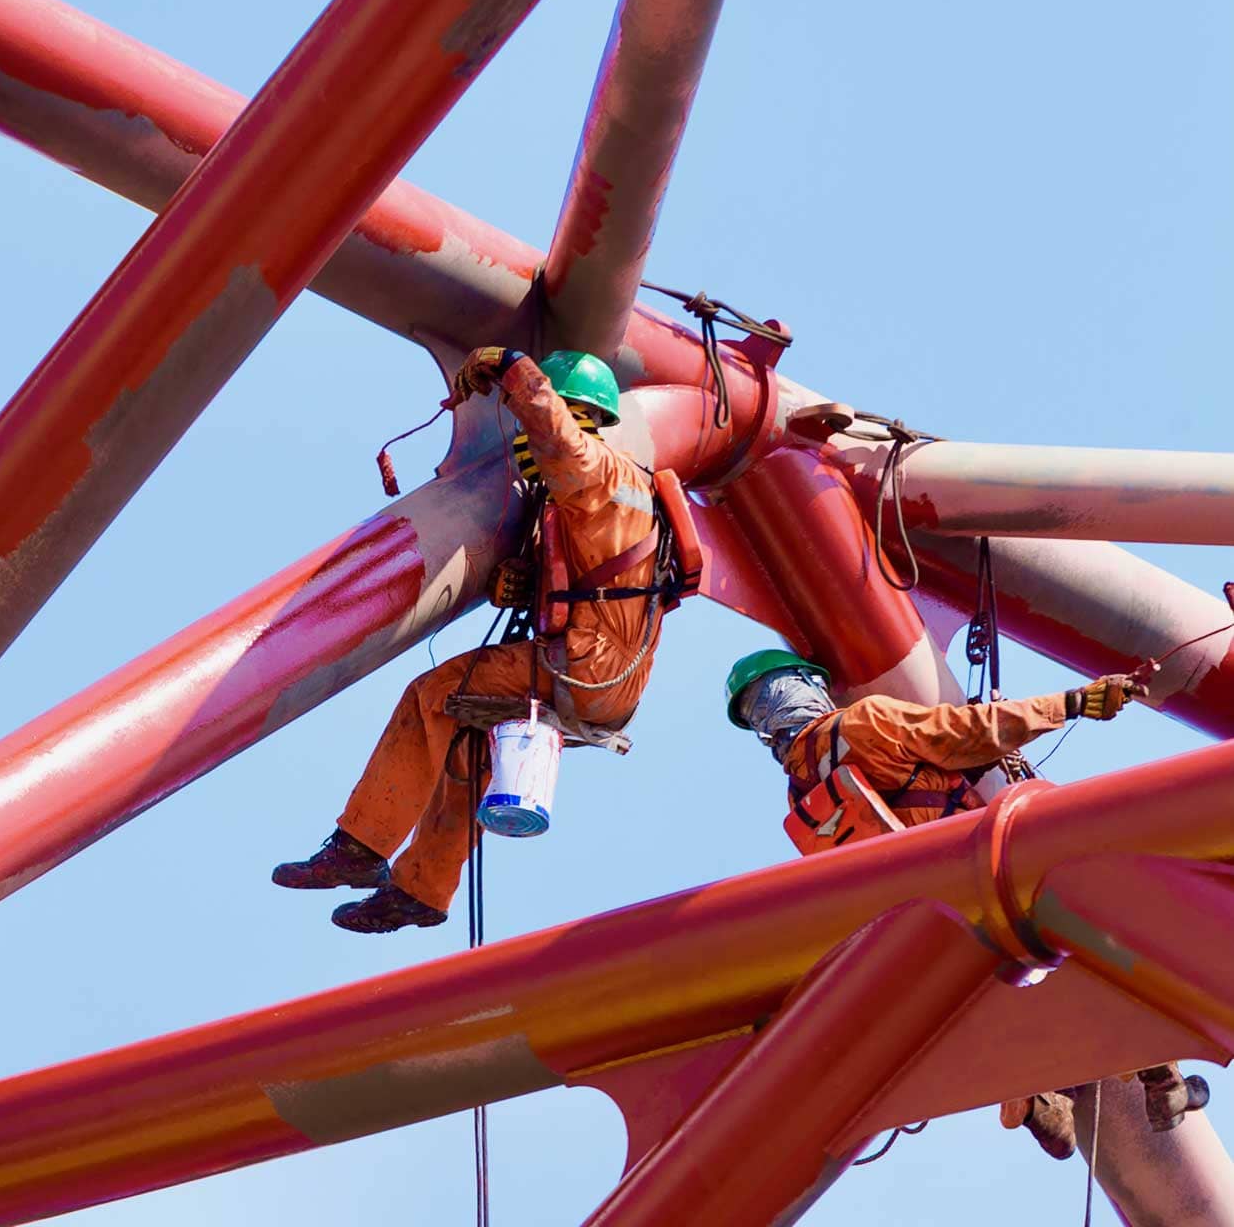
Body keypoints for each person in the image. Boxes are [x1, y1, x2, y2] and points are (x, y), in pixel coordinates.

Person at [272, 346, 666, 933]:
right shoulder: (623, 496)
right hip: (613, 677)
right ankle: (421, 892)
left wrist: (509, 365)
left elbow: (553, 429)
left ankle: (360, 847)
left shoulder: (597, 471)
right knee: (468, 744)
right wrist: (529, 582)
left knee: (431, 695)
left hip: (585, 662)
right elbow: (601, 574)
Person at [724, 649, 1150, 1158]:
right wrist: (1073, 703)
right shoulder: (865, 721)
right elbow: (966, 732)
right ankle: (1149, 1058)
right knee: (1097, 919)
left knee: (1006, 989)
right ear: (806, 687)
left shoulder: (798, 794)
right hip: (974, 872)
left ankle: (1039, 1092)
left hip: (918, 922)